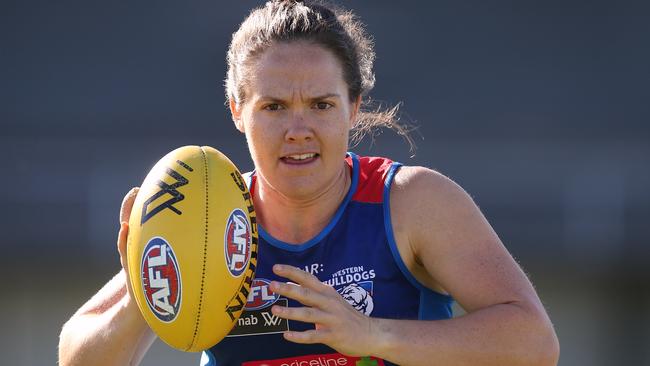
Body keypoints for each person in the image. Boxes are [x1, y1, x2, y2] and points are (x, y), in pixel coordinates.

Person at [58, 1, 560, 365]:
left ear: (354, 107)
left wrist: (373, 335)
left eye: (321, 105)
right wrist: (145, 293)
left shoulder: (410, 202)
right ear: (237, 111)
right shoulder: (206, 214)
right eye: (274, 107)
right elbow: (77, 358)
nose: (299, 129)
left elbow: (533, 341)